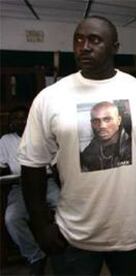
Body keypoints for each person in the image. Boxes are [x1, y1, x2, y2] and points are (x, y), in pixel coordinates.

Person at [18, 16, 136, 276]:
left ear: (115, 47)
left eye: (95, 40)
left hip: (134, 230)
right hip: (74, 234)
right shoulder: (50, 98)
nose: (84, 46)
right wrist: (41, 224)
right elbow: (32, 165)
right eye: (78, 39)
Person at [1, 106, 60, 275]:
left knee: (64, 209)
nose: (19, 121)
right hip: (19, 185)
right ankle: (35, 256)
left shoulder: (40, 136)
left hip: (45, 182)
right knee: (12, 218)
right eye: (15, 119)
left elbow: (54, 164)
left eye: (22, 118)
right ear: (11, 123)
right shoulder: (5, 140)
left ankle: (62, 250)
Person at [80, 101, 131, 172]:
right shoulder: (89, 152)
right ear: (91, 124)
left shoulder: (130, 148)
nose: (102, 126)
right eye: (96, 121)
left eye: (107, 119)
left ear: (119, 120)